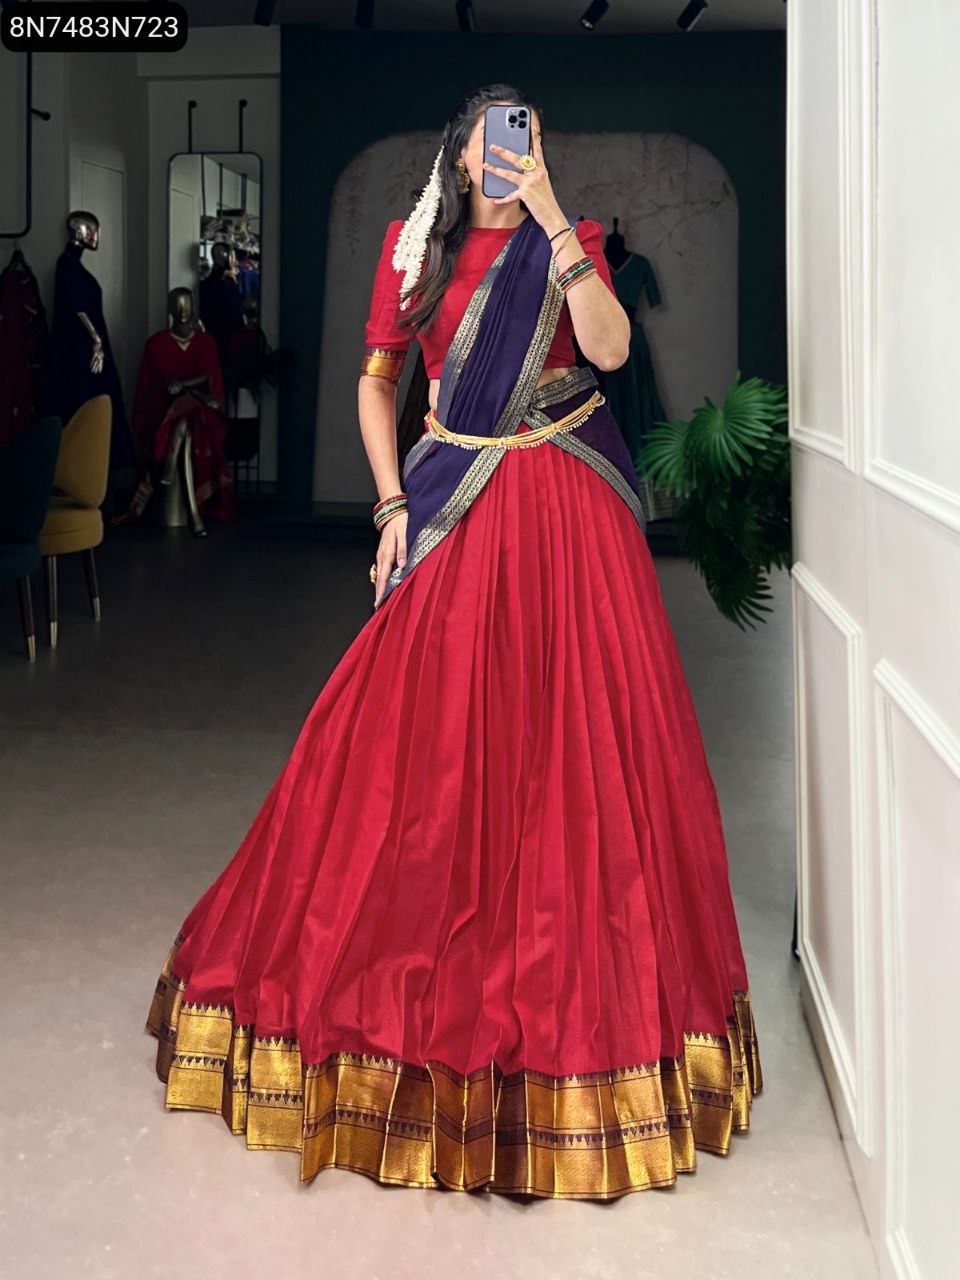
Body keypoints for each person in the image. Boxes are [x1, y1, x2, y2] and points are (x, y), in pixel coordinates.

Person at [145, 84, 763, 1200]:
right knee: (402, 758)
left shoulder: (567, 246)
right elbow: (381, 385)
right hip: (450, 502)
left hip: (572, 514)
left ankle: (583, 1025)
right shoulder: (412, 248)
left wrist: (559, 218)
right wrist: (388, 507)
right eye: (492, 137)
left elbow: (614, 355)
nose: (506, 154)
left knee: (580, 764)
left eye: (525, 138)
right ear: (458, 147)